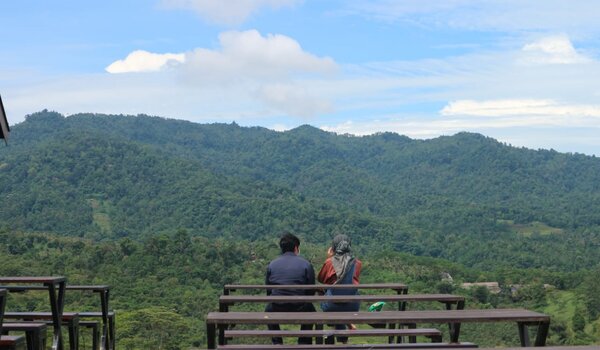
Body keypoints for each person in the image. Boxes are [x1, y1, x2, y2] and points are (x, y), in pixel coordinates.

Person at [265, 232, 316, 345]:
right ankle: (304, 343)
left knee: (268, 310)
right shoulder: (306, 264)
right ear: (296, 248)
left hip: (277, 306)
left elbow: (268, 291)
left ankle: (277, 343)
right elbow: (311, 291)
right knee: (311, 310)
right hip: (299, 307)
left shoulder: (272, 264)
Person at [317, 234, 362, 344]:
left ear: (334, 247)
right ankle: (343, 337)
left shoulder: (329, 262)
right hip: (353, 306)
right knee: (342, 299)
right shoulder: (357, 263)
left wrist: (329, 259)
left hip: (331, 306)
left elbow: (321, 279)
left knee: (329, 295)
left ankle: (338, 331)